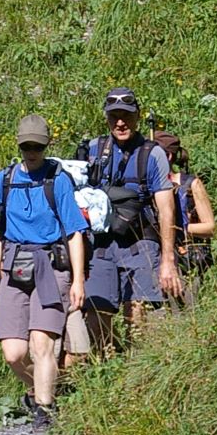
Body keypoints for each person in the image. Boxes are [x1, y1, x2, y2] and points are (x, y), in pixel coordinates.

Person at [0, 113, 87, 435]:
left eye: (37, 147)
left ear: (46, 145)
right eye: (26, 146)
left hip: (52, 267)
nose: (31, 152)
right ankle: (39, 390)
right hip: (14, 266)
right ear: (18, 144)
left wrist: (78, 280)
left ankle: (44, 414)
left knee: (42, 344)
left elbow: (74, 234)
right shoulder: (5, 179)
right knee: (13, 352)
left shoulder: (59, 180)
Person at [79, 89, 180, 351]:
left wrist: (168, 261)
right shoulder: (91, 151)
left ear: (137, 117)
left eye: (126, 116)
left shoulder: (152, 154)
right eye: (114, 117)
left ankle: (137, 373)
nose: (120, 122)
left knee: (138, 316)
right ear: (106, 119)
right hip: (100, 245)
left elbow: (166, 208)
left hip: (141, 243)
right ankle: (109, 369)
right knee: (96, 318)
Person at [154, 130, 216, 299]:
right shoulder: (148, 187)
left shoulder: (192, 185)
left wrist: (178, 228)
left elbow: (210, 227)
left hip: (189, 260)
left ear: (167, 157)